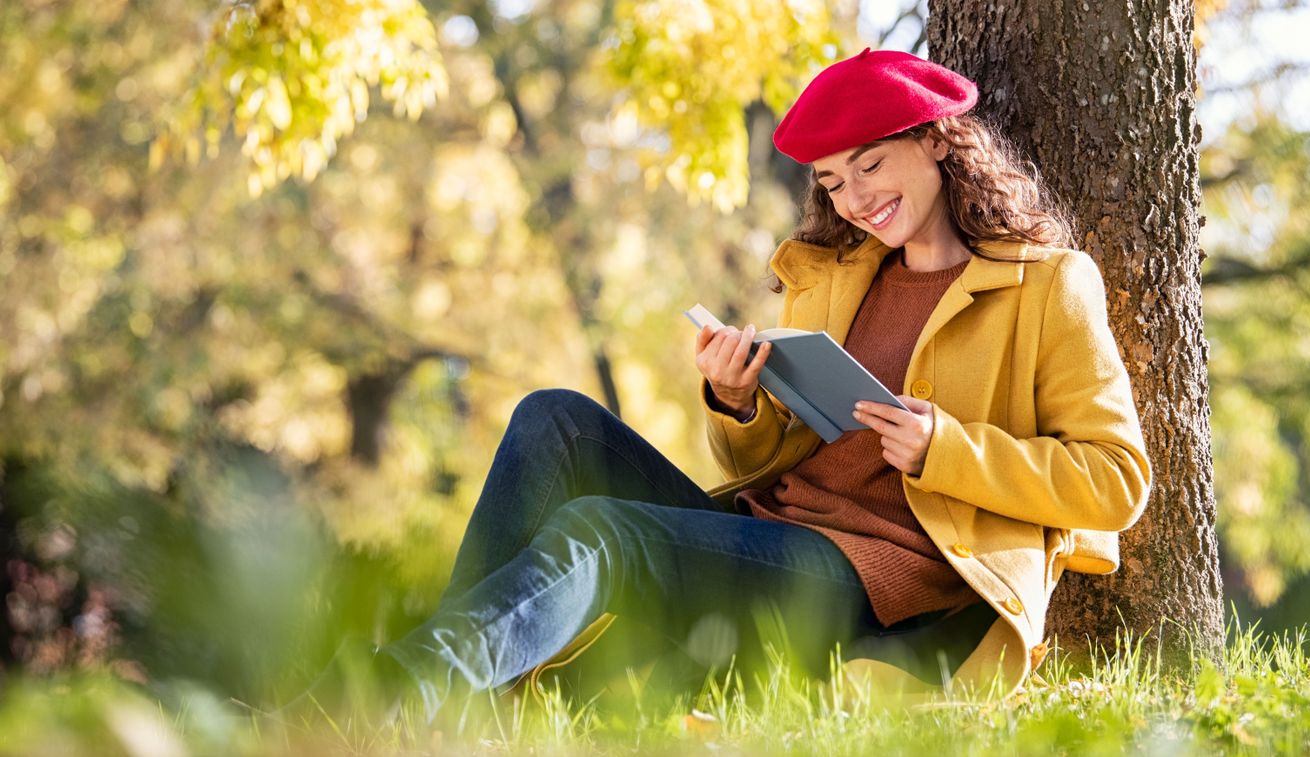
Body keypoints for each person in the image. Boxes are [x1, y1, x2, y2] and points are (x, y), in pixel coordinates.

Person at [290, 48, 1151, 724]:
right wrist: (735, 401)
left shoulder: (1045, 284)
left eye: (870, 164)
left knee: (601, 533)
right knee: (552, 418)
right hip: (764, 533)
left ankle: (384, 702)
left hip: (882, 582)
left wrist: (945, 449)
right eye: (831, 181)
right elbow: (776, 450)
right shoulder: (837, 275)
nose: (854, 199)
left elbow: (1115, 479)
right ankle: (448, 696)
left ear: (937, 140)